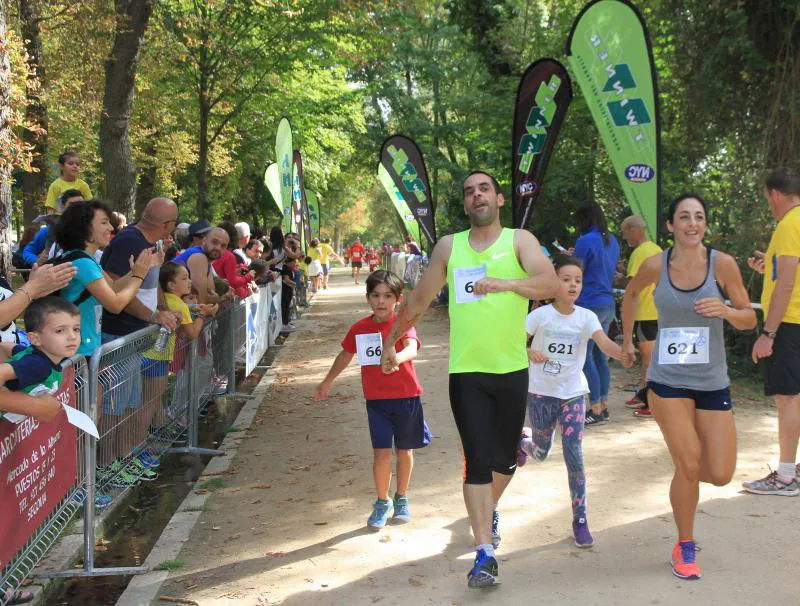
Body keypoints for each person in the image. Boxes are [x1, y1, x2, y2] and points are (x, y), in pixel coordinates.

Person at [380, 171, 557, 588]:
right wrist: (392, 338)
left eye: (484, 190)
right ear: (464, 204)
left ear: (498, 200)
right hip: (467, 372)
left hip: (512, 369)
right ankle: (484, 554)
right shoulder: (450, 246)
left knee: (505, 460)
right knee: (476, 462)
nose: (476, 195)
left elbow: (549, 282)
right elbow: (421, 298)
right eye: (468, 192)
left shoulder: (519, 241)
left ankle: (486, 507)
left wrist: (503, 284)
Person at [621, 193, 755, 580]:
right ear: (670, 225)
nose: (692, 223)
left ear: (705, 224)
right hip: (668, 380)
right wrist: (628, 340)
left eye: (698, 217)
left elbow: (748, 318)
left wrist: (727, 311)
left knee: (720, 472)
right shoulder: (654, 264)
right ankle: (684, 544)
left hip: (712, 381)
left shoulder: (723, 264)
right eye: (684, 217)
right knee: (690, 462)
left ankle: (686, 474)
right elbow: (630, 295)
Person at [517, 255, 629, 548]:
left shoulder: (586, 317)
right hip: (541, 392)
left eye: (577, 280)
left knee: (574, 456)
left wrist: (622, 353)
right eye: (565, 279)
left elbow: (603, 342)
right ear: (554, 282)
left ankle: (580, 519)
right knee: (540, 453)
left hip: (573, 394)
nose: (572, 285)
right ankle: (524, 442)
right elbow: (513, 339)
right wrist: (528, 351)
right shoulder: (540, 316)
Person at [314, 270, 430, 528]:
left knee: (405, 450)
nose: (381, 301)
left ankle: (401, 498)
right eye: (376, 295)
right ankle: (382, 501)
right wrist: (327, 381)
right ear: (368, 299)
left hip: (407, 397)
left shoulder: (404, 323)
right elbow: (345, 355)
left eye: (388, 296)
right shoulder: (360, 328)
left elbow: (411, 347)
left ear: (398, 299)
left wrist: (396, 358)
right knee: (381, 454)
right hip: (377, 402)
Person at [99, 198, 179, 478]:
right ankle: (105, 466)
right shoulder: (128, 241)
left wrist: (163, 308)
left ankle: (122, 457)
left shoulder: (151, 243)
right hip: (118, 332)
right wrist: (151, 316)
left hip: (134, 334)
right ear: (168, 225)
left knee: (130, 404)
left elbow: (151, 279)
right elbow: (113, 290)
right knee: (114, 406)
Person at [744, 167, 800, 496]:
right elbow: (788, 272)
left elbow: (788, 283)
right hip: (795, 321)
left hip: (789, 323)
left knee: (787, 397)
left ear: (775, 194)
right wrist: (770, 265)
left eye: (767, 198)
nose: (769, 204)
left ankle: (786, 476)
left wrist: (768, 333)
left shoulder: (790, 224)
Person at [54, 199, 156, 356]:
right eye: (104, 222)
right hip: (79, 352)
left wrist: (138, 269)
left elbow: (113, 288)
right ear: (85, 227)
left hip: (85, 348)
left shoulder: (84, 259)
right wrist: (138, 276)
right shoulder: (83, 263)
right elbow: (115, 305)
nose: (111, 228)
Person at [573, 201, 620, 425]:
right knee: (601, 356)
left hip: (588, 302)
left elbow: (576, 270)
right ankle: (603, 405)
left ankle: (595, 409)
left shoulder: (585, 240)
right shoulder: (612, 240)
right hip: (608, 302)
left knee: (586, 355)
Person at [620, 215, 663, 417]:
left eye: (624, 231)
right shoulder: (656, 249)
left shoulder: (639, 253)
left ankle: (651, 402)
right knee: (652, 358)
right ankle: (643, 394)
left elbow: (631, 289)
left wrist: (618, 278)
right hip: (658, 312)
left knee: (649, 359)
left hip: (645, 313)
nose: (623, 236)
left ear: (632, 229)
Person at [174, 227, 231, 304]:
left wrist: (214, 299)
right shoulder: (198, 257)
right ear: (204, 241)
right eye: (214, 242)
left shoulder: (207, 260)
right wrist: (215, 299)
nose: (218, 247)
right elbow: (202, 301)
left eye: (223, 246)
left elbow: (211, 293)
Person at [213, 221, 256, 300]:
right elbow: (232, 282)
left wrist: (235, 270)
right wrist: (248, 277)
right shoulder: (229, 255)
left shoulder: (212, 252)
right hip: (220, 297)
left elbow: (220, 273)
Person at [45, 150, 92, 215]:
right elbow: (50, 209)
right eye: (70, 163)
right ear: (61, 166)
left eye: (77, 164)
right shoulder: (55, 186)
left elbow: (90, 206)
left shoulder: (83, 185)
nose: (75, 166)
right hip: (61, 221)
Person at [280, 258, 298, 332]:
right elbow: (286, 279)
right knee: (285, 307)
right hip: (286, 290)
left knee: (287, 306)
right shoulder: (286, 268)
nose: (295, 264)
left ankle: (286, 322)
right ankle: (285, 323)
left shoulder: (289, 269)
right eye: (293, 262)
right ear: (289, 262)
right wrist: (295, 284)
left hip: (288, 290)